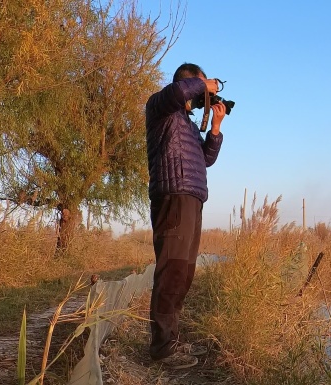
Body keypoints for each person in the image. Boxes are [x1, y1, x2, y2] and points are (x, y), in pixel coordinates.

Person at [145, 63, 226, 368]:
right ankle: (162, 348)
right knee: (172, 270)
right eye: (200, 86)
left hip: (193, 197)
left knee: (184, 273)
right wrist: (205, 85)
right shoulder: (160, 107)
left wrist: (215, 128)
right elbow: (179, 92)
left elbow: (206, 159)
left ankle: (171, 341)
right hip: (174, 195)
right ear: (190, 83)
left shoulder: (189, 125)